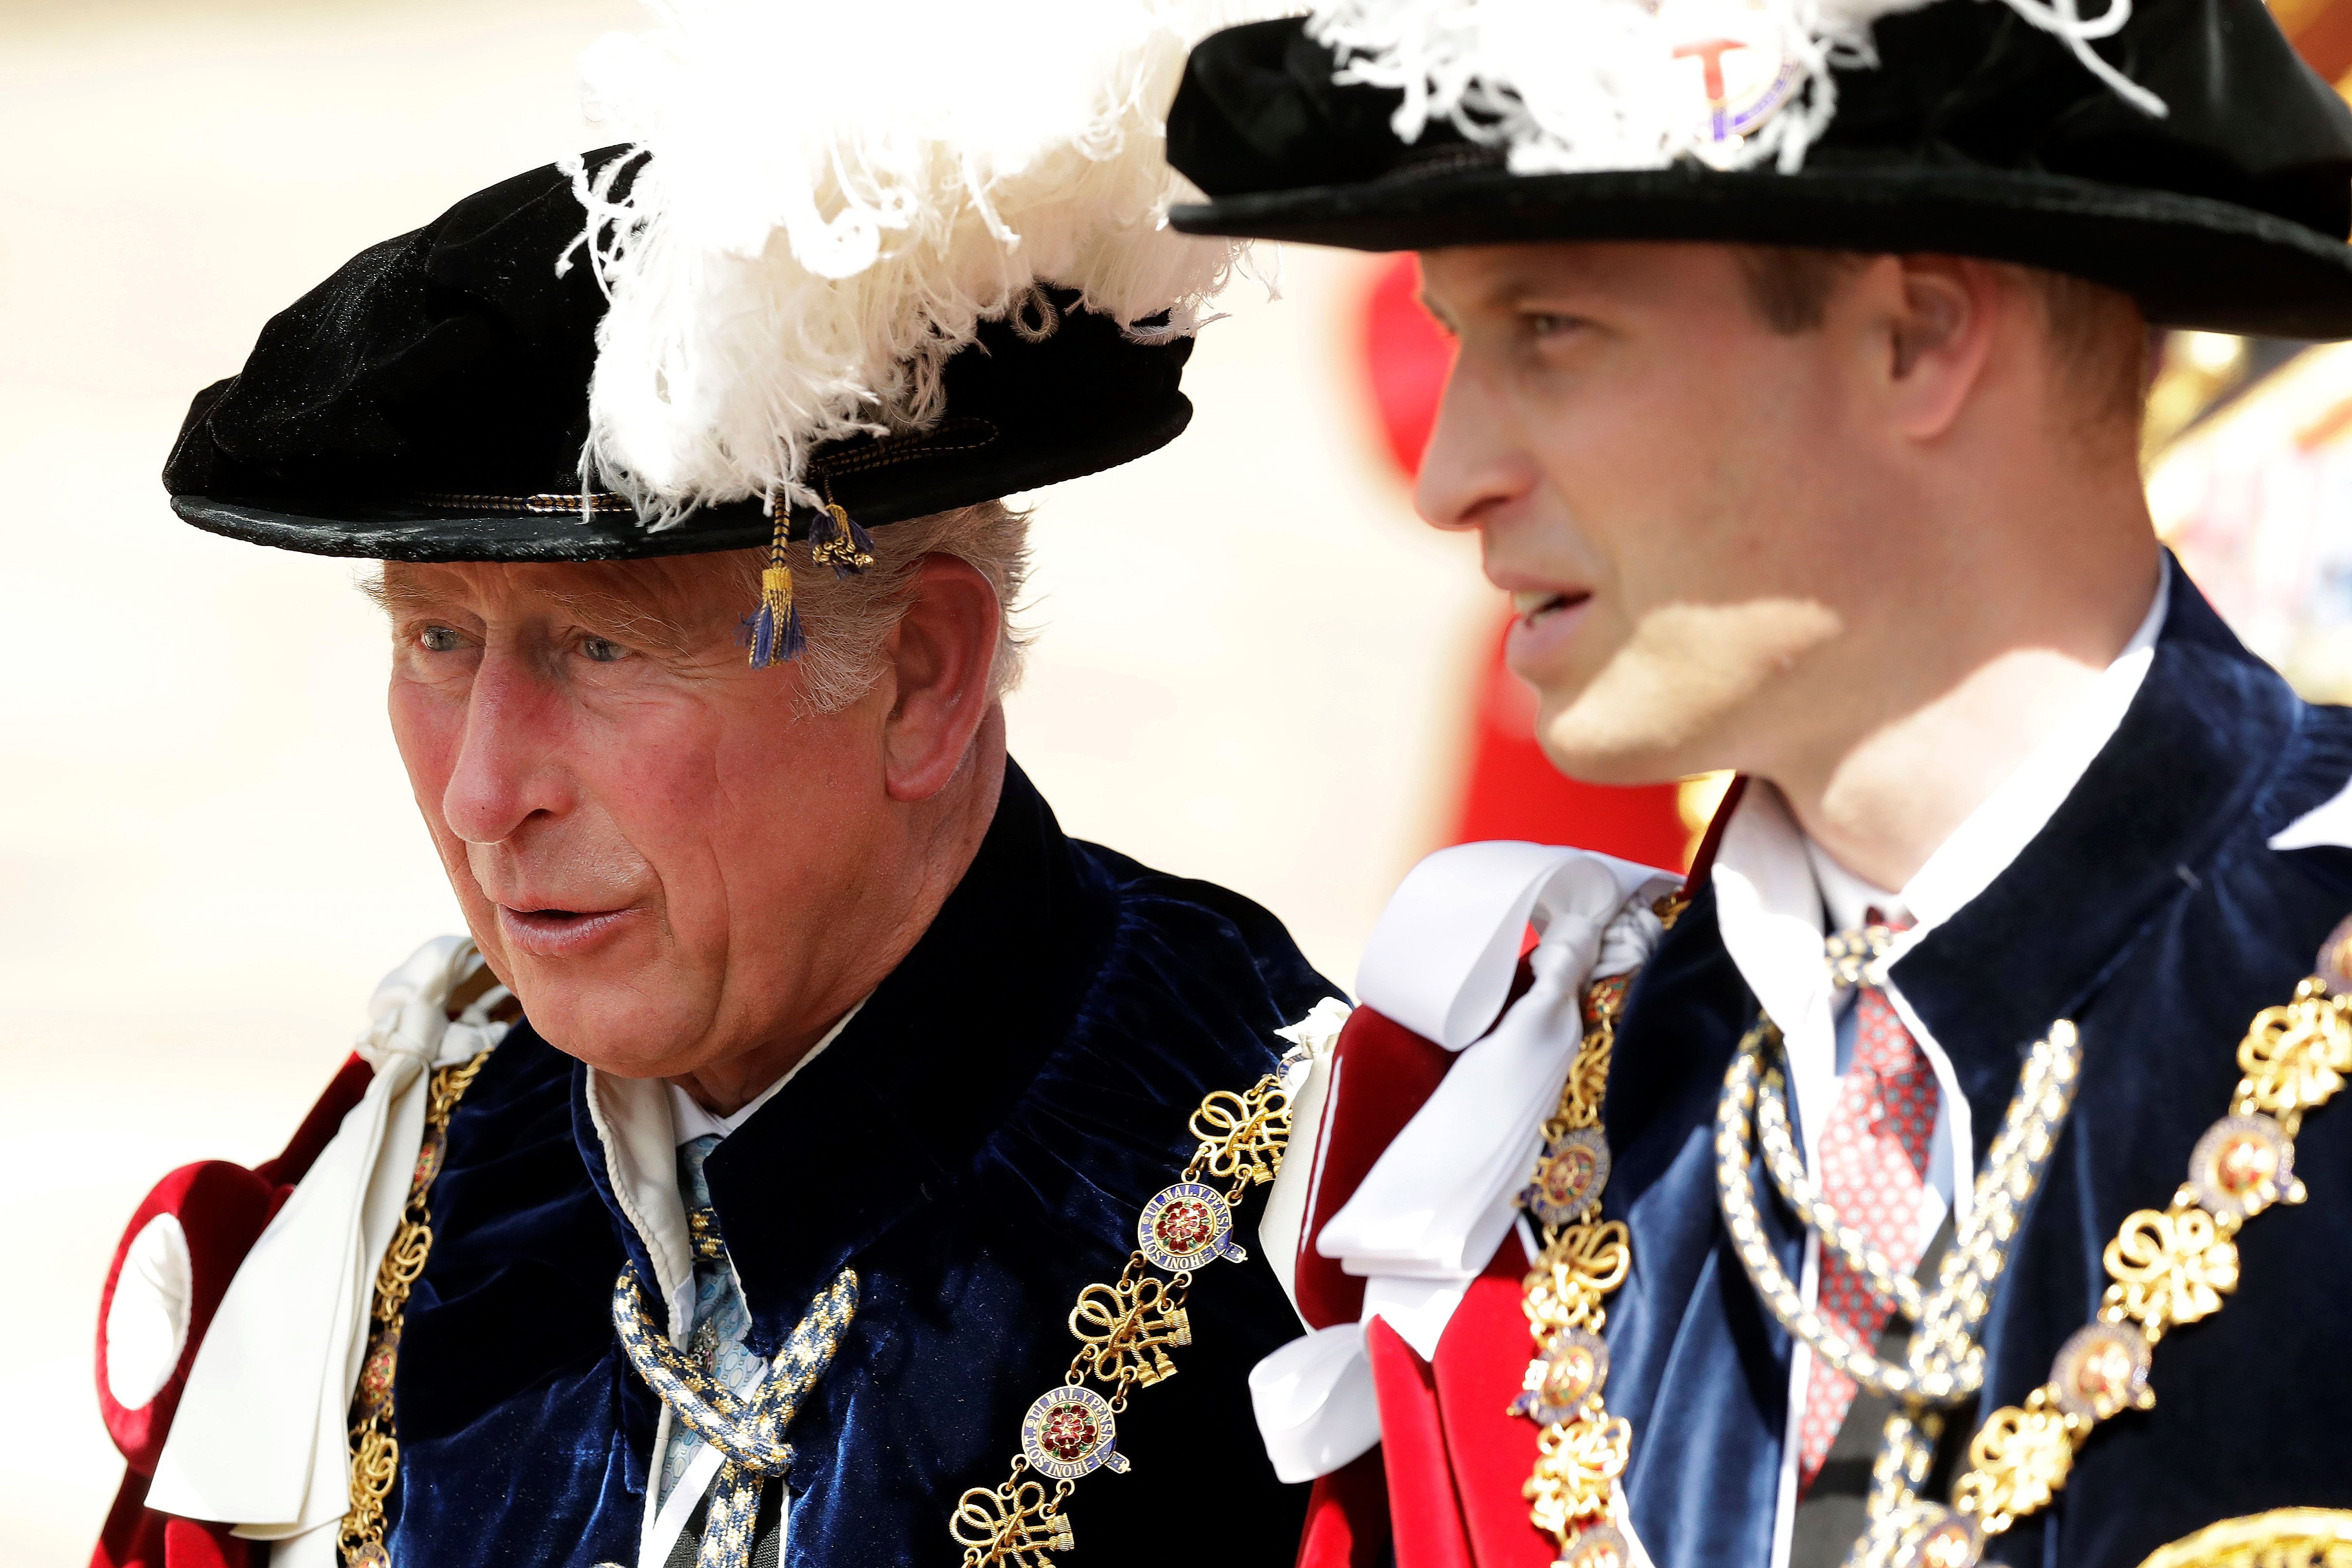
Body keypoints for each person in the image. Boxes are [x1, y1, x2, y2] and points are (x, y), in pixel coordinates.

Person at [88, 6, 1345, 1567]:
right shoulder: (408, 1159)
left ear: (922, 675)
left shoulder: (1306, 1226)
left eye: (603, 649)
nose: (483, 794)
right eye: (432, 637)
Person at [1161, 1, 2352, 1566]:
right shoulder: (1515, 1136)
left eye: (1552, 330)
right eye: (1462, 337)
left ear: (1915, 337)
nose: (1453, 472)